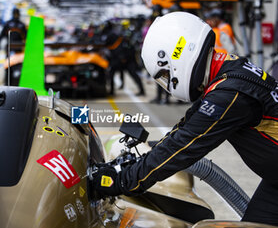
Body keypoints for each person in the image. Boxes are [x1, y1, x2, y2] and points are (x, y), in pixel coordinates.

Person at [92, 12, 278, 226]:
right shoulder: (227, 73)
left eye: (165, 75)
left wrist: (124, 180)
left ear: (176, 59)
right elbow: (186, 127)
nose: (167, 83)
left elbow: (184, 146)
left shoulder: (229, 94)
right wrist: (137, 162)